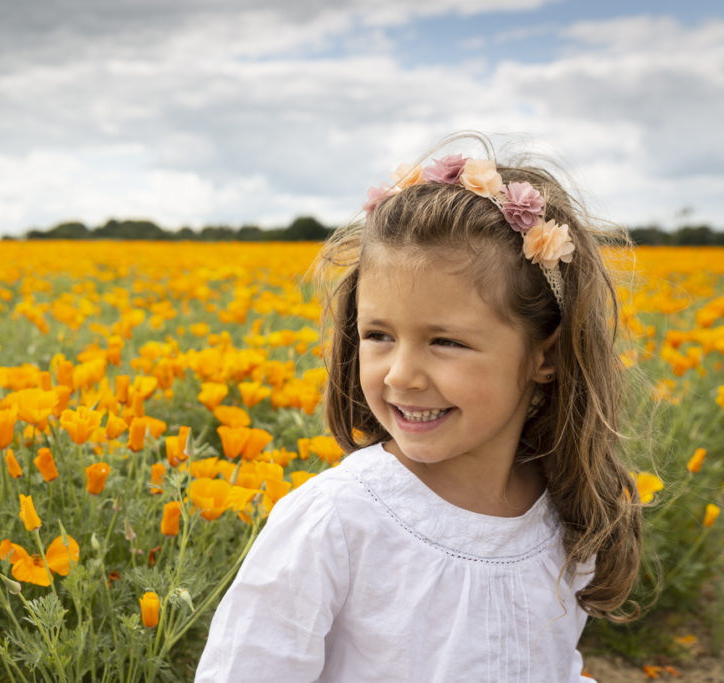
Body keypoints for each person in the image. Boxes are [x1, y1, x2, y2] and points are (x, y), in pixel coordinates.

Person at [194, 133, 643, 682]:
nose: (401, 374)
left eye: (445, 342)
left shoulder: (566, 515)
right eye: (379, 335)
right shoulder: (334, 523)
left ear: (544, 355)